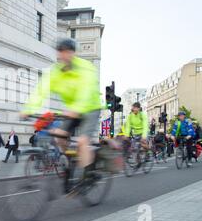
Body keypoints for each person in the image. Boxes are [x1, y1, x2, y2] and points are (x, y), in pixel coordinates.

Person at [21, 38, 103, 182]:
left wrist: (76, 109)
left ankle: (89, 174)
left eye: (67, 52)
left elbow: (87, 89)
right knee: (59, 136)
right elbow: (41, 90)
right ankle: (70, 162)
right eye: (61, 52)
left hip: (91, 108)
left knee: (83, 141)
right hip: (73, 110)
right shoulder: (55, 72)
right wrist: (28, 109)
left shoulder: (85, 67)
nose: (63, 55)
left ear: (73, 53)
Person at [122, 102, 149, 167]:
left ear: (139, 108)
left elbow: (145, 125)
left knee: (143, 143)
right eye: (133, 108)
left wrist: (144, 136)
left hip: (143, 132)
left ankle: (147, 153)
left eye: (136, 108)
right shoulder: (130, 116)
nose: (135, 109)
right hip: (136, 133)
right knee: (134, 147)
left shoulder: (142, 115)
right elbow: (128, 126)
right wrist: (126, 135)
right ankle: (138, 161)